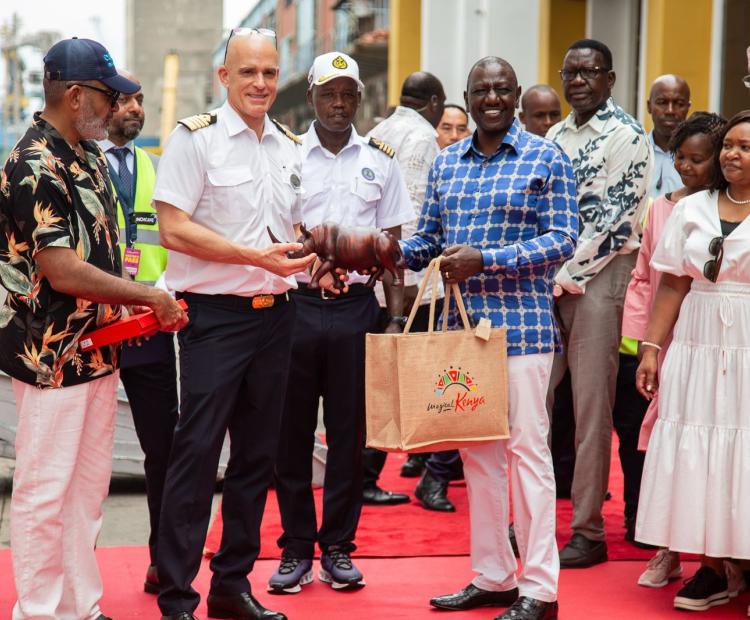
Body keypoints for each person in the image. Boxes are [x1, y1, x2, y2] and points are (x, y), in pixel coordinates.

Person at [0, 37, 186, 620]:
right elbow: (62, 268)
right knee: (44, 491)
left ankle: (81, 606)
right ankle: (39, 609)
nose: (115, 108)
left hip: (99, 352)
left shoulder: (87, 155)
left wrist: (134, 306)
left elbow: (109, 253)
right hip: (51, 358)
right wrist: (147, 296)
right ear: (76, 95)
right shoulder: (33, 162)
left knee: (86, 492)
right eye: (108, 97)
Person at [152, 30, 317, 620]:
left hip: (277, 317)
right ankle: (176, 596)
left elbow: (294, 234)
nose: (262, 84)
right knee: (195, 456)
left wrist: (313, 259)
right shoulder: (194, 140)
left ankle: (231, 586)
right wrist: (255, 257)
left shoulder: (290, 145)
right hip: (215, 319)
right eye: (248, 72)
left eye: (270, 73)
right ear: (224, 76)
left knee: (256, 458)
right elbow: (172, 229)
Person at [405, 55, 578, 620]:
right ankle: (494, 576)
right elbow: (428, 239)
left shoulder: (545, 156)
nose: (493, 99)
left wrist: (488, 261)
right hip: (464, 337)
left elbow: (562, 238)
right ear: (468, 94)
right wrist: (379, 252)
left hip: (524, 331)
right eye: (482, 90)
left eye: (503, 89)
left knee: (529, 456)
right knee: (479, 460)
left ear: (517, 94)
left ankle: (540, 591)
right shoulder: (447, 162)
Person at [269, 51, 414, 595]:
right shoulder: (283, 156)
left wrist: (395, 320)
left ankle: (337, 548)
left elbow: (394, 246)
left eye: (347, 94)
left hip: (357, 310)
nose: (338, 103)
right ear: (311, 98)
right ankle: (294, 549)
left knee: (350, 434)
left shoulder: (381, 160)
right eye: (328, 93)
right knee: (290, 432)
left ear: (358, 99)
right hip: (295, 309)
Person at [634, 110, 750, 612]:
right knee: (698, 452)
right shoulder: (691, 208)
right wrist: (651, 349)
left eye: (745, 147)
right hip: (697, 343)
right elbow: (672, 284)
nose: (732, 154)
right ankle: (708, 567)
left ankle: (745, 566)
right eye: (729, 145)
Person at [546, 38, 651, 568]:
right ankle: (535, 521)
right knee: (536, 407)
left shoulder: (629, 136)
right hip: (552, 284)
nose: (579, 80)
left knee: (591, 412)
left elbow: (614, 225)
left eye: (590, 72)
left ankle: (587, 531)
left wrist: (561, 276)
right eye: (571, 72)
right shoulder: (554, 136)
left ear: (610, 79)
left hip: (599, 281)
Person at [97, 70, 178, 595]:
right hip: (95, 330)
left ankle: (162, 561)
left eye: (141, 100)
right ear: (104, 106)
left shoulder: (157, 169)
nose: (136, 107)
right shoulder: (80, 168)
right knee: (87, 455)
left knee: (162, 451)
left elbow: (172, 241)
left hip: (147, 329)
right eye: (125, 99)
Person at [363, 70, 446, 494]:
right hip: (410, 283)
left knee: (381, 381)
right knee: (425, 381)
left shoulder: (379, 130)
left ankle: (374, 473)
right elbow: (413, 216)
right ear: (432, 103)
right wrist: (412, 287)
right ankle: (406, 476)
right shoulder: (422, 138)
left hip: (378, 279)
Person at [646, 75, 691, 198]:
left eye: (679, 103)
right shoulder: (634, 151)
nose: (670, 110)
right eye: (662, 102)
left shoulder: (700, 157)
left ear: (688, 107)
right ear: (649, 106)